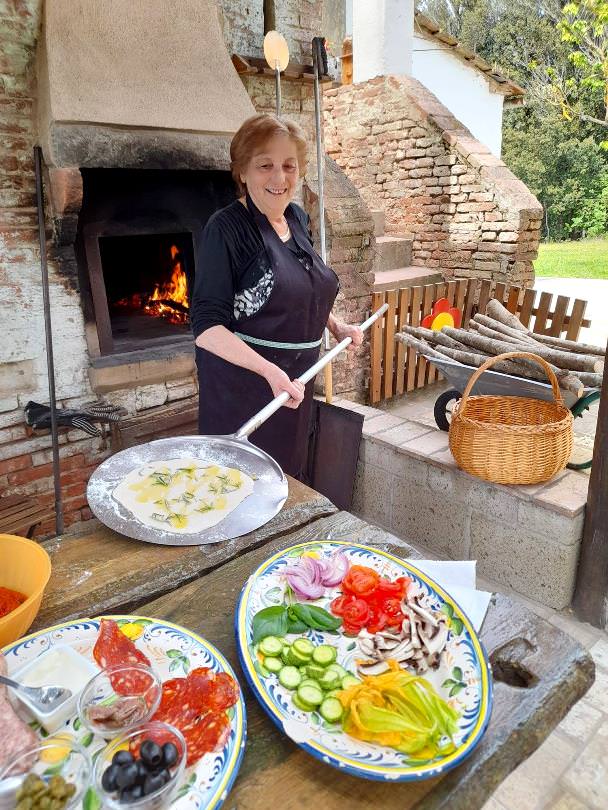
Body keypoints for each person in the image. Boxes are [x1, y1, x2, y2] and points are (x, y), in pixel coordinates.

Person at [191, 113, 363, 478]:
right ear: (242, 171)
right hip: (246, 390)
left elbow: (303, 287)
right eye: (265, 165)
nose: (279, 178)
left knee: (286, 479)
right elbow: (206, 328)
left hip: (293, 385)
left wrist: (334, 325)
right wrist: (270, 372)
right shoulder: (225, 229)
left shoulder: (297, 218)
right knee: (241, 487)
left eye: (289, 166)